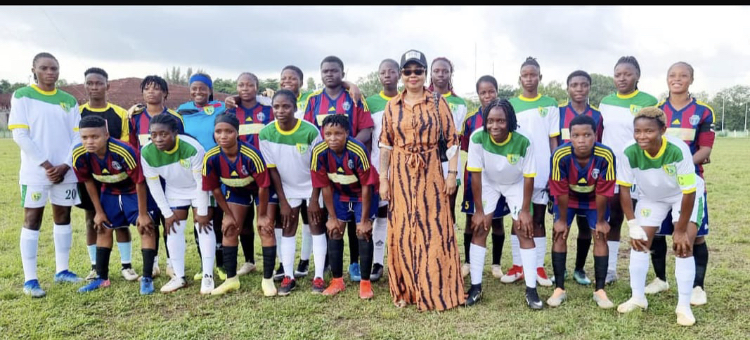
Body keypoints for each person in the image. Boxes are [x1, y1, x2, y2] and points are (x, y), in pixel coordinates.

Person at [379, 49, 464, 311]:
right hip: (401, 173)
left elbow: (452, 142)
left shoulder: (438, 102)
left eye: (418, 71)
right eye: (408, 71)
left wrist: (452, 174)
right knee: (404, 229)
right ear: (402, 75)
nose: (413, 75)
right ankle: (407, 290)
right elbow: (385, 145)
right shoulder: (392, 106)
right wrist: (384, 179)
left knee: (434, 228)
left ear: (425, 74)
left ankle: (436, 289)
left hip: (431, 173)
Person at [616, 107, 705, 327]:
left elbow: (689, 191)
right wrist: (633, 223)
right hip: (651, 197)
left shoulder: (678, 149)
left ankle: (683, 306)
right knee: (639, 243)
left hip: (682, 196)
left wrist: (681, 229)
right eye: (638, 131)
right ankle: (638, 298)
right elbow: (624, 189)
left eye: (649, 131)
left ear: (663, 130)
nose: (642, 136)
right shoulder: (629, 151)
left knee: (684, 246)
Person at [10, 52, 83, 297]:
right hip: (36, 172)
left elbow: (77, 136)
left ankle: (62, 270)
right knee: (32, 219)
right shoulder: (22, 96)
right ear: (34, 69)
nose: (50, 72)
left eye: (54, 68)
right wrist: (46, 165)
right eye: (44, 68)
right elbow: (20, 135)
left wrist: (64, 165)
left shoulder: (69, 100)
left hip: (65, 171)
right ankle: (30, 279)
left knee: (63, 216)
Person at [303, 56, 375, 282]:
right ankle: (327, 263)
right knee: (333, 217)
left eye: (334, 71)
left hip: (352, 164)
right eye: (325, 71)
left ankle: (355, 263)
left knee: (357, 220)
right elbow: (309, 132)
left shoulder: (354, 96)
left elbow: (366, 129)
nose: (329, 74)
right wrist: (330, 151)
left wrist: (347, 149)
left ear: (342, 73)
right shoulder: (313, 99)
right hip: (327, 166)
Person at [647, 62, 714, 305]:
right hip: (660, 182)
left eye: (683, 75)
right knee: (656, 233)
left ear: (691, 79)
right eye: (672, 75)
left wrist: (680, 167)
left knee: (693, 236)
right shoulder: (656, 110)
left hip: (690, 182)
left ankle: (698, 286)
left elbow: (705, 149)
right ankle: (660, 279)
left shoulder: (703, 111)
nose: (677, 79)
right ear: (666, 79)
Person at [466, 99, 540, 308]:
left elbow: (529, 177)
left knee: (524, 230)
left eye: (500, 121)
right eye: (490, 121)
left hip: (516, 184)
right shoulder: (478, 138)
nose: (494, 126)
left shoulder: (524, 140)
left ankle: (531, 291)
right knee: (480, 229)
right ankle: (475, 287)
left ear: (510, 121)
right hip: (489, 182)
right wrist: (479, 210)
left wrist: (525, 210)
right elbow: (475, 175)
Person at [72, 116, 158, 294]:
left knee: (146, 227)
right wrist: (98, 211)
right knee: (102, 227)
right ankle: (101, 278)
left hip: (134, 191)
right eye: (84, 137)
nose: (89, 141)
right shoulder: (78, 154)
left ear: (106, 135)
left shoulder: (124, 150)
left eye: (95, 137)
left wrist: (142, 214)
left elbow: (140, 181)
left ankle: (147, 278)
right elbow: (87, 180)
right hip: (109, 192)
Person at [259, 89, 326, 296]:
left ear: (295, 108)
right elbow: (273, 170)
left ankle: (319, 276)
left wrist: (314, 198)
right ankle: (288, 276)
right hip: (287, 188)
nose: (281, 111)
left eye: (286, 106)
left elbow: (318, 167)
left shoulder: (311, 131)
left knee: (316, 226)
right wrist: (283, 201)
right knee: (288, 228)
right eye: (276, 106)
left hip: (312, 185)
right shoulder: (266, 133)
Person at [140, 113, 214, 294]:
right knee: (172, 228)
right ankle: (179, 277)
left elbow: (201, 182)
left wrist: (202, 211)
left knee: (204, 226)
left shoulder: (192, 147)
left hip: (199, 188)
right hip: (174, 190)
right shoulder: (147, 152)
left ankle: (208, 276)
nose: (158, 139)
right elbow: (153, 184)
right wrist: (166, 213)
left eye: (163, 134)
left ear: (175, 133)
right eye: (153, 134)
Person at [599, 56, 658, 284]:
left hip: (640, 169)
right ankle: (611, 269)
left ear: (637, 76)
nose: (622, 78)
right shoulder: (605, 102)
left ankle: (639, 270)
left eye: (627, 74)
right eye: (618, 74)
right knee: (614, 219)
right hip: (613, 170)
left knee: (642, 220)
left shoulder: (649, 100)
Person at [547, 115, 616, 309]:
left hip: (595, 200)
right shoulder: (560, 155)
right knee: (560, 234)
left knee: (600, 236)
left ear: (595, 135)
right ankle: (559, 288)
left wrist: (601, 221)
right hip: (567, 199)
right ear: (569, 136)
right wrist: (560, 219)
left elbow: (604, 191)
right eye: (576, 135)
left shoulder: (605, 155)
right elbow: (559, 190)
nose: (581, 140)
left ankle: (600, 290)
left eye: (587, 135)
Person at [203, 114, 275, 296]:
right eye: (218, 131)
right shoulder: (211, 157)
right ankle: (231, 279)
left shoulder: (251, 154)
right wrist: (227, 214)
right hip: (235, 191)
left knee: (265, 228)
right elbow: (215, 190)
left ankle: (268, 280)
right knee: (229, 228)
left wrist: (263, 215)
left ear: (237, 133)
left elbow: (263, 186)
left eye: (228, 131)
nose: (223, 136)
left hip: (260, 191)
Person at [78, 67, 139, 282]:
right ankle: (96, 266)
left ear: (107, 85)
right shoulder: (77, 113)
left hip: (115, 173)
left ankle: (126, 265)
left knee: (120, 222)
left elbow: (125, 143)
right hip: (88, 173)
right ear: (85, 85)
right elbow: (76, 143)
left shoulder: (120, 113)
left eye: (98, 83)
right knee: (93, 219)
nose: (94, 87)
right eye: (90, 83)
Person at [505, 57, 560, 287]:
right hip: (517, 172)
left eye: (533, 75)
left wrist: (555, 172)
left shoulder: (550, 104)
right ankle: (518, 265)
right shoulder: (510, 105)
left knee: (538, 219)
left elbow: (553, 141)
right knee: (517, 219)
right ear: (520, 78)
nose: (529, 79)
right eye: (525, 75)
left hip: (542, 171)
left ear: (540, 77)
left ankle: (538, 266)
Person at [312, 115, 379, 299]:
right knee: (334, 231)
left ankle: (365, 284)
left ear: (347, 133)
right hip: (339, 195)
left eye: (338, 134)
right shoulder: (319, 152)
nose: (332, 138)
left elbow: (367, 185)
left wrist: (364, 220)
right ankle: (337, 281)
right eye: (328, 134)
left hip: (362, 195)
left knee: (363, 232)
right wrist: (332, 217)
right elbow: (324, 185)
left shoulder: (358, 150)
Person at [552, 70, 604, 286]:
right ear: (568, 88)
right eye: (574, 85)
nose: (579, 89)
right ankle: (560, 271)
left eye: (584, 85)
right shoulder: (559, 112)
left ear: (590, 87)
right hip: (564, 175)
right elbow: (554, 142)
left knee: (585, 228)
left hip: (589, 179)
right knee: (560, 225)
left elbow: (597, 145)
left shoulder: (597, 115)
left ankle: (579, 269)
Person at [129, 75, 184, 278]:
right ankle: (153, 262)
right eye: (147, 88)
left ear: (165, 93)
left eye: (156, 88)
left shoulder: (175, 118)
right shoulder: (134, 117)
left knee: (169, 218)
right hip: (147, 178)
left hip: (170, 177)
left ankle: (172, 262)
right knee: (151, 219)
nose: (151, 92)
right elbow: (133, 148)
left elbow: (180, 147)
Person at [176, 73, 225, 282]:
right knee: (200, 216)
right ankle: (205, 264)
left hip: (216, 166)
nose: (198, 92)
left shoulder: (220, 107)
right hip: (191, 169)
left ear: (210, 90)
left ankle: (222, 264)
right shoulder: (182, 110)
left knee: (217, 217)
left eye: (202, 88)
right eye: (194, 88)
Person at [459, 76, 509, 280]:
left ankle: (496, 264)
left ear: (497, 92)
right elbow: (465, 147)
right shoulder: (471, 121)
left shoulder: (506, 117)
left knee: (496, 221)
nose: (488, 96)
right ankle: (469, 262)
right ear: (478, 95)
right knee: (472, 219)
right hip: (475, 178)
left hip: (499, 178)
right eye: (483, 92)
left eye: (491, 91)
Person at [226, 72, 275, 276]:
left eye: (249, 85)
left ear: (257, 87)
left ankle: (272, 268)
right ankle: (249, 261)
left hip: (264, 173)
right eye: (241, 85)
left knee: (266, 221)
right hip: (238, 174)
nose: (245, 89)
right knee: (243, 223)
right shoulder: (230, 111)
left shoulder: (268, 109)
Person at [364, 59, 399, 282]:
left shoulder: (405, 99)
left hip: (405, 167)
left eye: (391, 71)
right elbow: (367, 134)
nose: (387, 75)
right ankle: (377, 262)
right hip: (378, 166)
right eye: (382, 72)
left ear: (399, 75)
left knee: (402, 215)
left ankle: (399, 262)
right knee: (378, 214)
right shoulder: (370, 102)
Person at [428, 57, 469, 232]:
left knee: (448, 206)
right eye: (436, 71)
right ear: (430, 73)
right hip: (427, 158)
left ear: (451, 74)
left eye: (445, 71)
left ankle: (449, 248)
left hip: (451, 160)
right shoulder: (422, 97)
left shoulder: (460, 103)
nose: (441, 75)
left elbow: (454, 134)